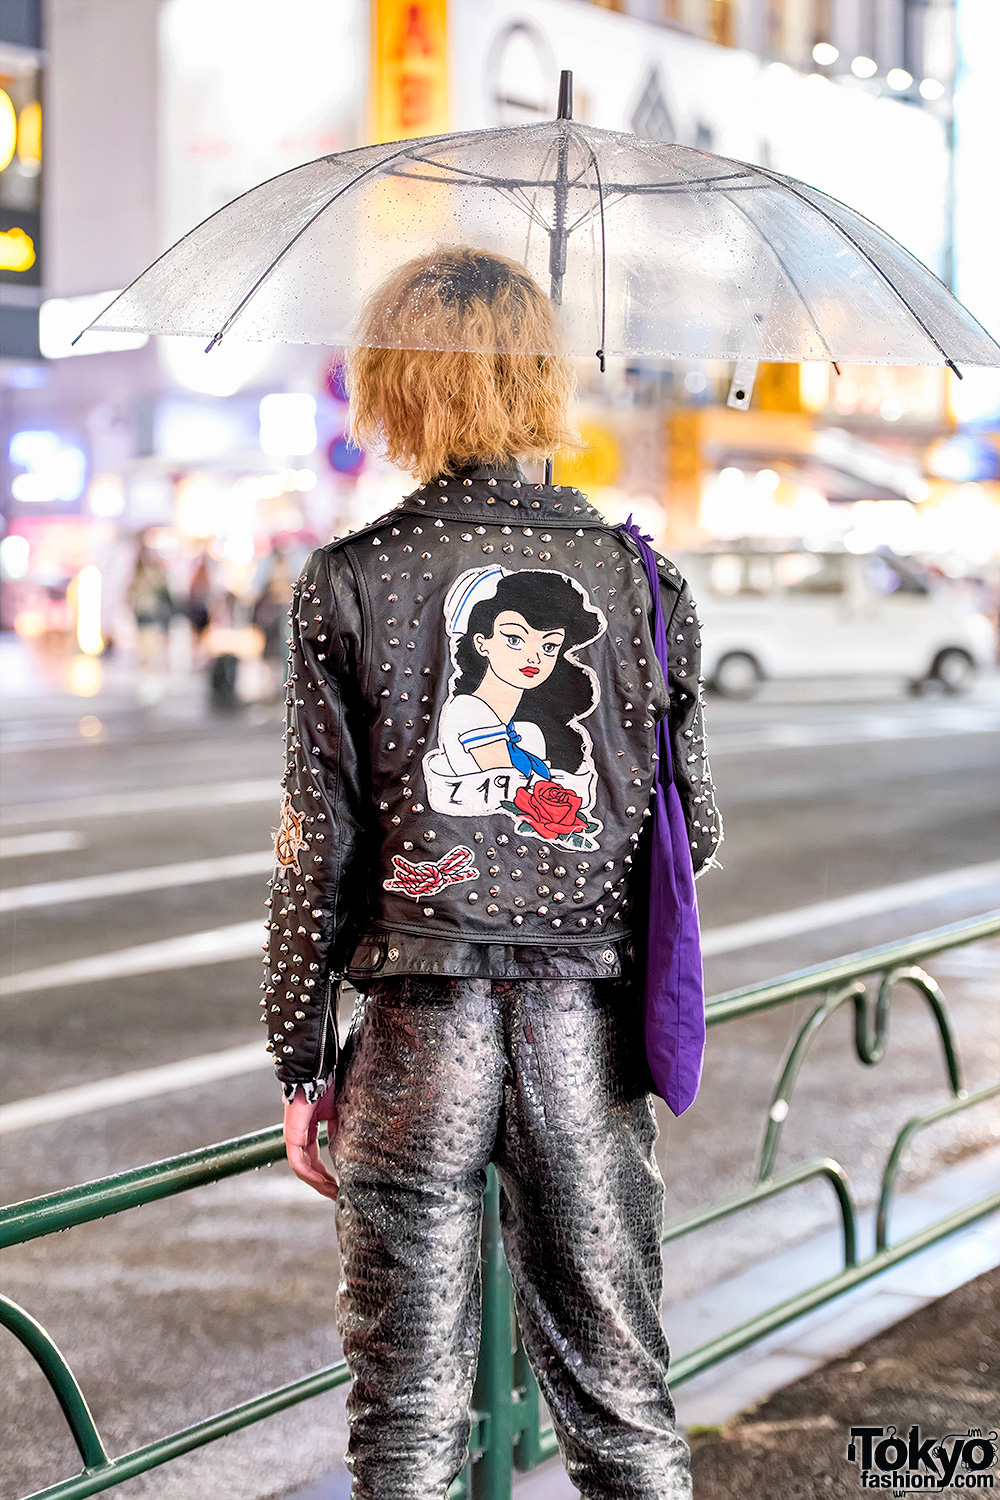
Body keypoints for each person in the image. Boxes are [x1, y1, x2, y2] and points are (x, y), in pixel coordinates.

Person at [263, 247, 721, 1500]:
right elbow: (698, 831)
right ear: (539, 376)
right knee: (623, 1400)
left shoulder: (347, 581)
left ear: (396, 384)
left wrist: (304, 1062)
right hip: (588, 1025)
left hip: (417, 1029)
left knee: (407, 1414)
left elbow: (321, 847)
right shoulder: (641, 580)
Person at [126, 534, 173, 705]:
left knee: (150, 650)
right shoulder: (139, 573)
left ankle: (152, 682)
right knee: (146, 651)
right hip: (145, 617)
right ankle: (149, 681)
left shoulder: (152, 573)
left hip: (152, 617)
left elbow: (164, 593)